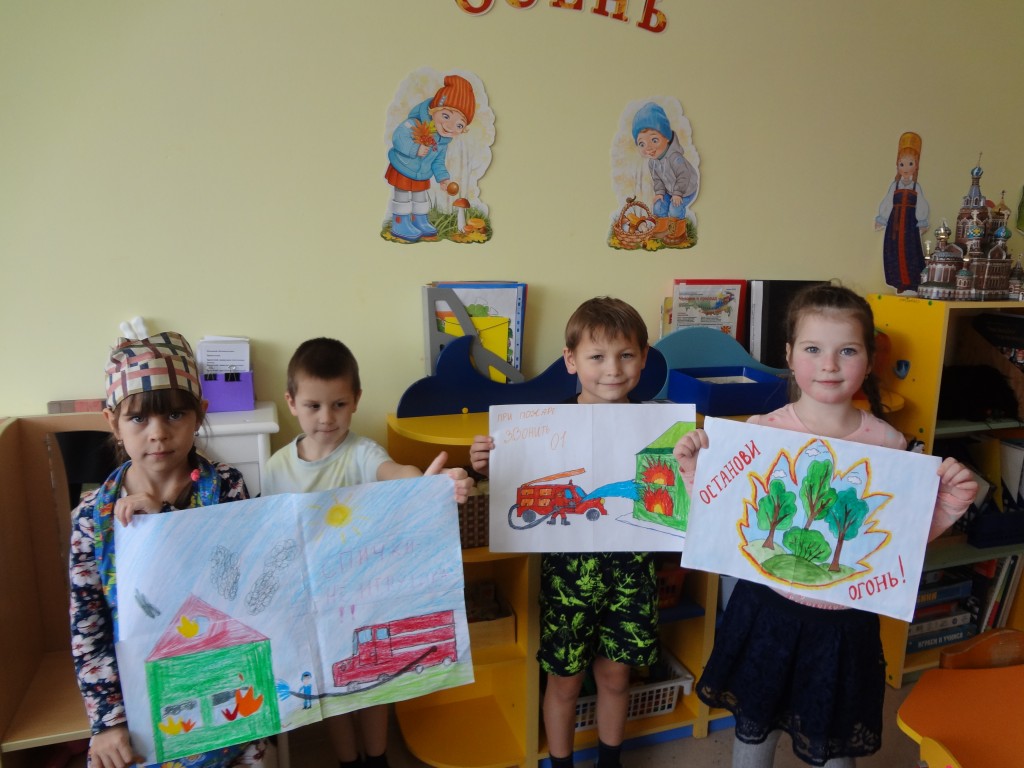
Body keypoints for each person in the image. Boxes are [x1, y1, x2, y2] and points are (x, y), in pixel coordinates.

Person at [673, 283, 977, 768]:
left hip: (844, 628)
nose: (829, 365)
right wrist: (695, 470)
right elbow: (723, 519)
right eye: (813, 349)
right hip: (766, 612)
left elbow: (893, 543)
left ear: (869, 360)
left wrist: (948, 503)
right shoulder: (761, 431)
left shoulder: (890, 444)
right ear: (789, 355)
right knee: (754, 730)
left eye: (847, 351)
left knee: (833, 742)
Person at [471, 297, 665, 768]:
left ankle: (610, 761)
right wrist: (486, 465)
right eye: (597, 356)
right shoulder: (543, 425)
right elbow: (514, 479)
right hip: (567, 579)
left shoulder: (659, 428)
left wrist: (693, 455)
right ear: (571, 360)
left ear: (643, 357)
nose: (612, 369)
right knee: (564, 681)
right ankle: (560, 763)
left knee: (616, 677)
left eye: (626, 355)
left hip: (633, 573)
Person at [262, 337, 473, 768]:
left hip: (366, 595)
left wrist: (428, 485)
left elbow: (395, 472)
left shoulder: (361, 453)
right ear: (291, 403)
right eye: (313, 406)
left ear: (356, 400)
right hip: (312, 602)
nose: (327, 418)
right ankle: (349, 762)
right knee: (331, 691)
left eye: (339, 404)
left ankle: (377, 759)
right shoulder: (276, 468)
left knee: (376, 686)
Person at [69, 332, 267, 768]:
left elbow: (241, 591)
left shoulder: (227, 488)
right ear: (112, 423)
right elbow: (88, 628)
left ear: (200, 415)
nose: (158, 433)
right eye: (138, 419)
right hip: (139, 712)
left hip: (226, 695)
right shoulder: (91, 518)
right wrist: (107, 723)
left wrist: (166, 523)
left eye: (175, 414)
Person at [384, 74, 476, 242]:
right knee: (402, 194)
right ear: (433, 111)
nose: (450, 126)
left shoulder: (443, 142)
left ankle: (419, 220)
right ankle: (400, 222)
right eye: (446, 116)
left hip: (422, 174)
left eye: (459, 125)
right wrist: (415, 149)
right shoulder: (413, 123)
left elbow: (438, 162)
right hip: (403, 167)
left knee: (420, 197)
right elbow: (398, 138)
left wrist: (443, 179)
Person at [875, 131, 930, 294]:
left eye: (910, 163)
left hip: (909, 224)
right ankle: (898, 281)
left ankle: (912, 282)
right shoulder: (895, 185)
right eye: (902, 164)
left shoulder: (916, 187)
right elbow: (887, 202)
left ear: (916, 165)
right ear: (897, 165)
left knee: (910, 251)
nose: (906, 168)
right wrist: (882, 218)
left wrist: (922, 221)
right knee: (893, 250)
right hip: (895, 223)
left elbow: (921, 204)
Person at [632, 101, 699, 221]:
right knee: (658, 207)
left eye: (654, 140)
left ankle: (676, 229)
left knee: (675, 209)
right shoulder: (652, 162)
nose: (648, 148)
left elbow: (684, 176)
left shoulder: (675, 157)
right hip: (670, 190)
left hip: (685, 190)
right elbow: (657, 179)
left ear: (667, 137)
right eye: (642, 144)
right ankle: (662, 228)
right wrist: (660, 193)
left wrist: (677, 193)